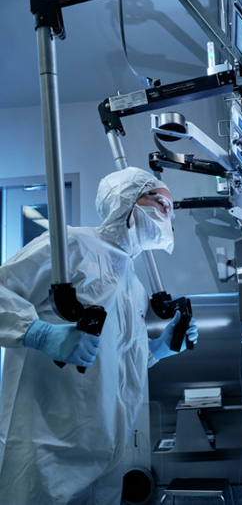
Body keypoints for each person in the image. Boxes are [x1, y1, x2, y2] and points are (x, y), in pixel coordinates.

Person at [0, 167, 198, 505]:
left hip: (106, 456)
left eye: (172, 209)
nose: (169, 213)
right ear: (126, 201)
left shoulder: (133, 284)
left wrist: (159, 348)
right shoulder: (71, 244)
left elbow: (116, 361)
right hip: (46, 455)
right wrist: (38, 332)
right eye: (161, 202)